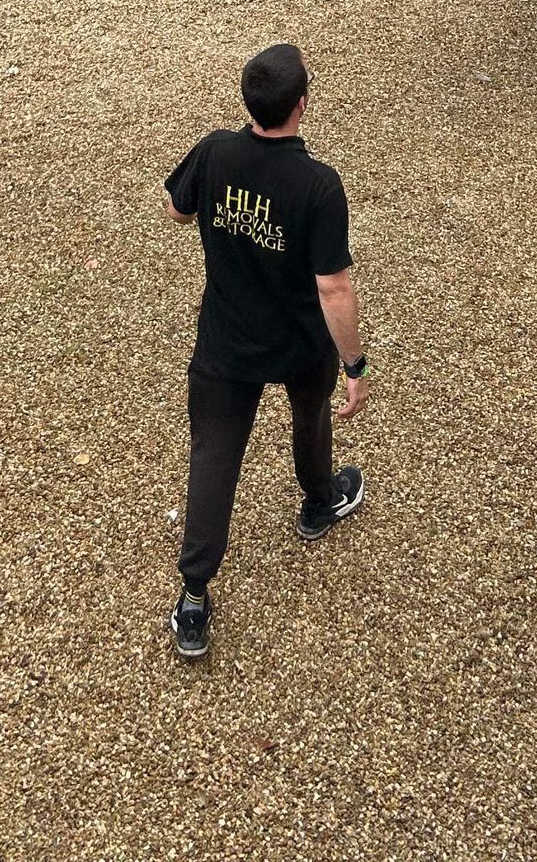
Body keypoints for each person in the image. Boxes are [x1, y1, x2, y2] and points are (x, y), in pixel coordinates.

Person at [163, 43, 370, 662]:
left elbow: (177, 209)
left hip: (226, 338)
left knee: (215, 456)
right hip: (300, 342)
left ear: (249, 102)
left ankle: (195, 596)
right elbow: (332, 285)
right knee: (311, 419)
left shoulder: (215, 151)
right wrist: (355, 364)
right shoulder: (317, 185)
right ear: (302, 103)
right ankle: (317, 503)